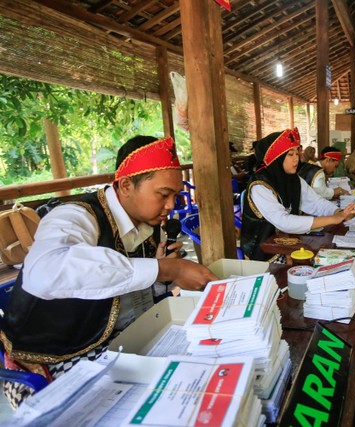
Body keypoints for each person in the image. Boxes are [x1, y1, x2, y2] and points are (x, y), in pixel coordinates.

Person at [0, 135, 218, 408]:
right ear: (126, 185)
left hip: (120, 339)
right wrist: (164, 268)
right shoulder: (73, 217)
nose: (172, 205)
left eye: (175, 195)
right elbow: (45, 272)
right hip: (54, 360)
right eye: (163, 194)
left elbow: (125, 295)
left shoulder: (149, 223)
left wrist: (162, 279)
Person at [240, 128, 355, 261]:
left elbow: (315, 202)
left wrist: (339, 211)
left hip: (287, 242)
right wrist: (333, 219)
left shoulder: (293, 179)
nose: (296, 158)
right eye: (290, 154)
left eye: (297, 153)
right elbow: (283, 221)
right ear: (276, 158)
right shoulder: (260, 185)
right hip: (264, 251)